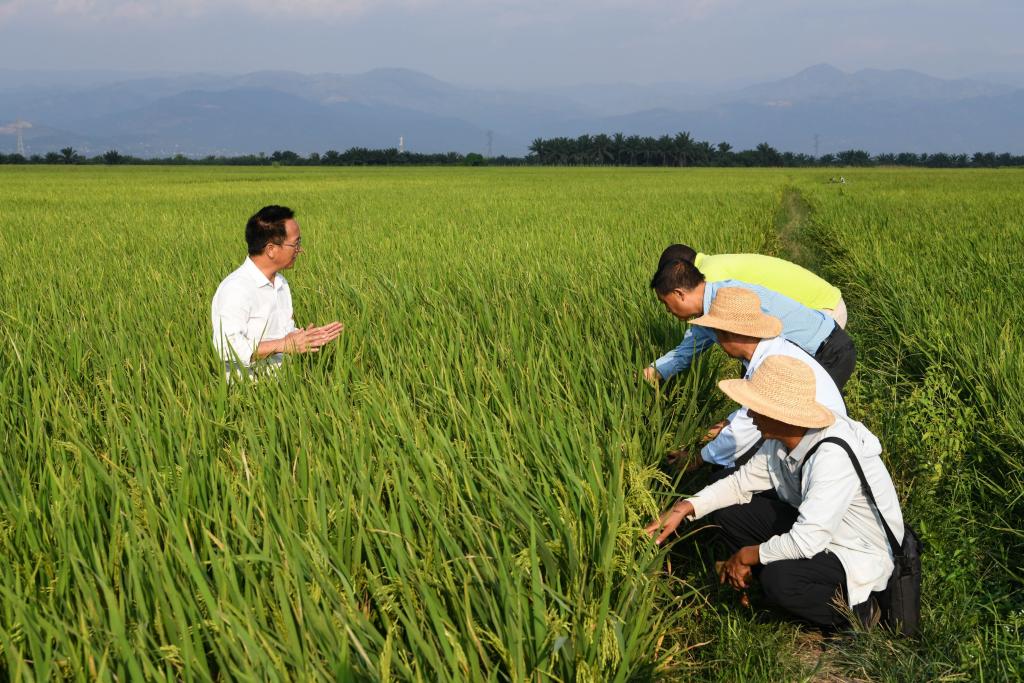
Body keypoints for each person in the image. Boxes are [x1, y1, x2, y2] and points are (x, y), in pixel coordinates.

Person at [645, 355, 905, 630]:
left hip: (854, 548)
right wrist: (683, 508)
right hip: (822, 529)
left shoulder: (832, 455)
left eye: (756, 408)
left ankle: (860, 614)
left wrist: (747, 554)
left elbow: (808, 540)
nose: (750, 414)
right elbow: (739, 484)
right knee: (727, 512)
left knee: (780, 580)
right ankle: (754, 581)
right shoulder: (783, 438)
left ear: (782, 415)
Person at [673, 287, 846, 473]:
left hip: (822, 451)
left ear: (728, 334)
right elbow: (746, 415)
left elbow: (742, 432)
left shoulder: (773, 364)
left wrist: (697, 459)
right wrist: (710, 433)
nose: (718, 340)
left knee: (727, 473)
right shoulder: (767, 354)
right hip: (808, 439)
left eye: (717, 333)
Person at [644, 259, 856, 392]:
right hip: (809, 355)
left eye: (665, 303)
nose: (667, 310)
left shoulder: (732, 300)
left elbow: (764, 357)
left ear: (679, 294)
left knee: (815, 427)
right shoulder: (710, 310)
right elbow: (687, 350)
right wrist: (654, 371)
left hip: (827, 352)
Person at [211, 205, 343, 378]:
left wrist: (305, 337)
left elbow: (283, 332)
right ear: (271, 249)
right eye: (295, 244)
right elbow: (225, 347)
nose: (299, 250)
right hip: (248, 392)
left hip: (283, 387)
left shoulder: (281, 283)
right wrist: (283, 344)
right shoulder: (236, 289)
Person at [657, 244, 847, 328]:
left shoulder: (710, 278)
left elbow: (702, 335)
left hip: (822, 311)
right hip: (822, 302)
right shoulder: (713, 265)